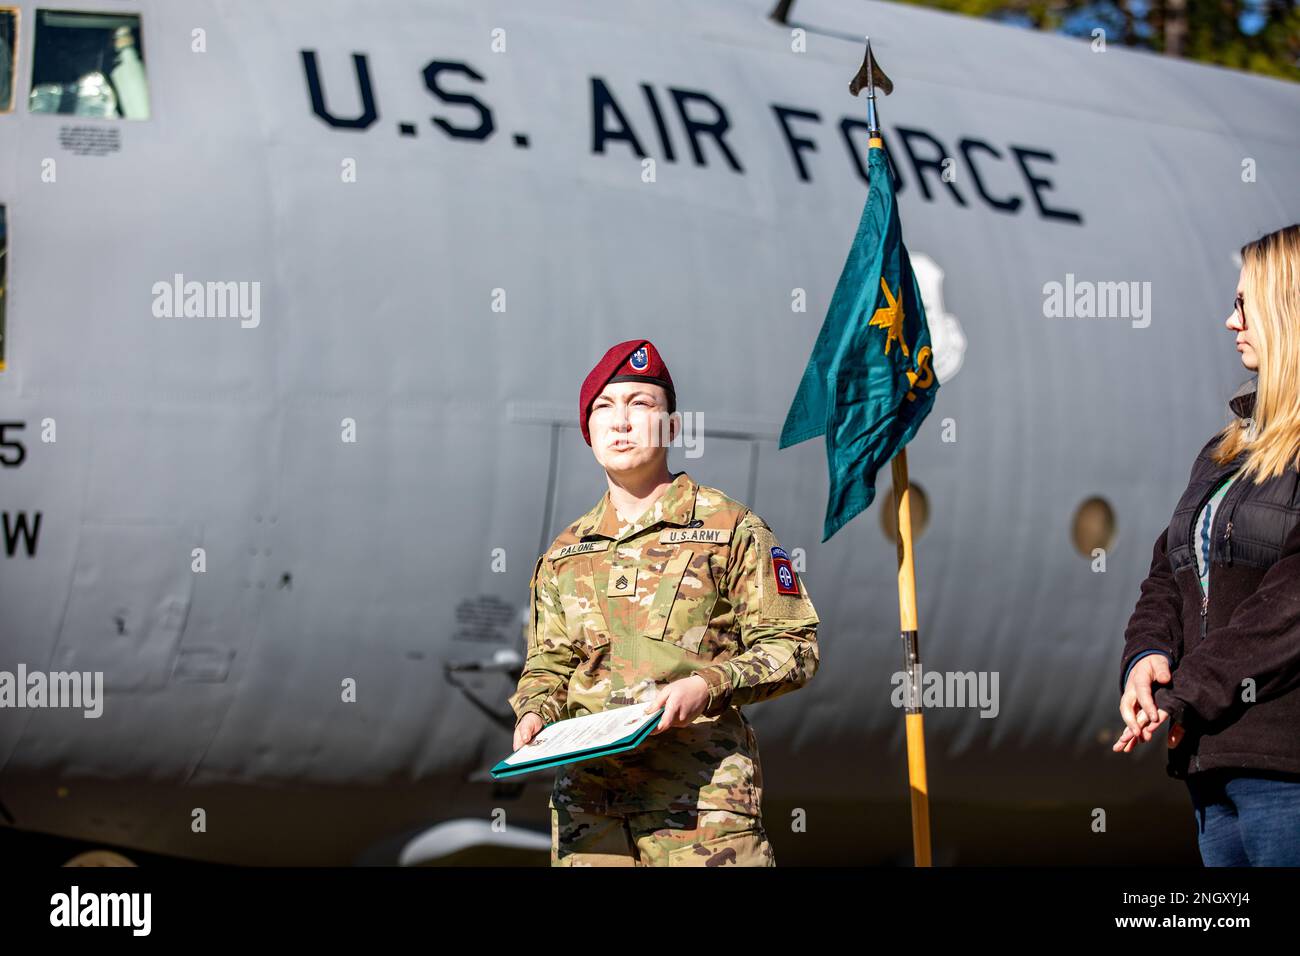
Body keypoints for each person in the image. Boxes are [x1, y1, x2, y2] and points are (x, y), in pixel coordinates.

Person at [507, 339, 820, 866]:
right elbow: (550, 662)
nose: (621, 421)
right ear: (589, 433)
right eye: (604, 408)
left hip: (700, 813)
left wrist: (707, 684)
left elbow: (795, 647)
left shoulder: (729, 528)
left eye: (640, 404)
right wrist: (535, 711)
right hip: (592, 817)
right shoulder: (565, 554)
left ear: (673, 427)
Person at [1115, 223, 1300, 866]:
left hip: (1285, 769)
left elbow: (1288, 609)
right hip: (1210, 764)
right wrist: (1147, 657)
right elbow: (1168, 571)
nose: (1230, 320)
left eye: (1244, 304)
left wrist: (1190, 688)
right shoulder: (1224, 452)